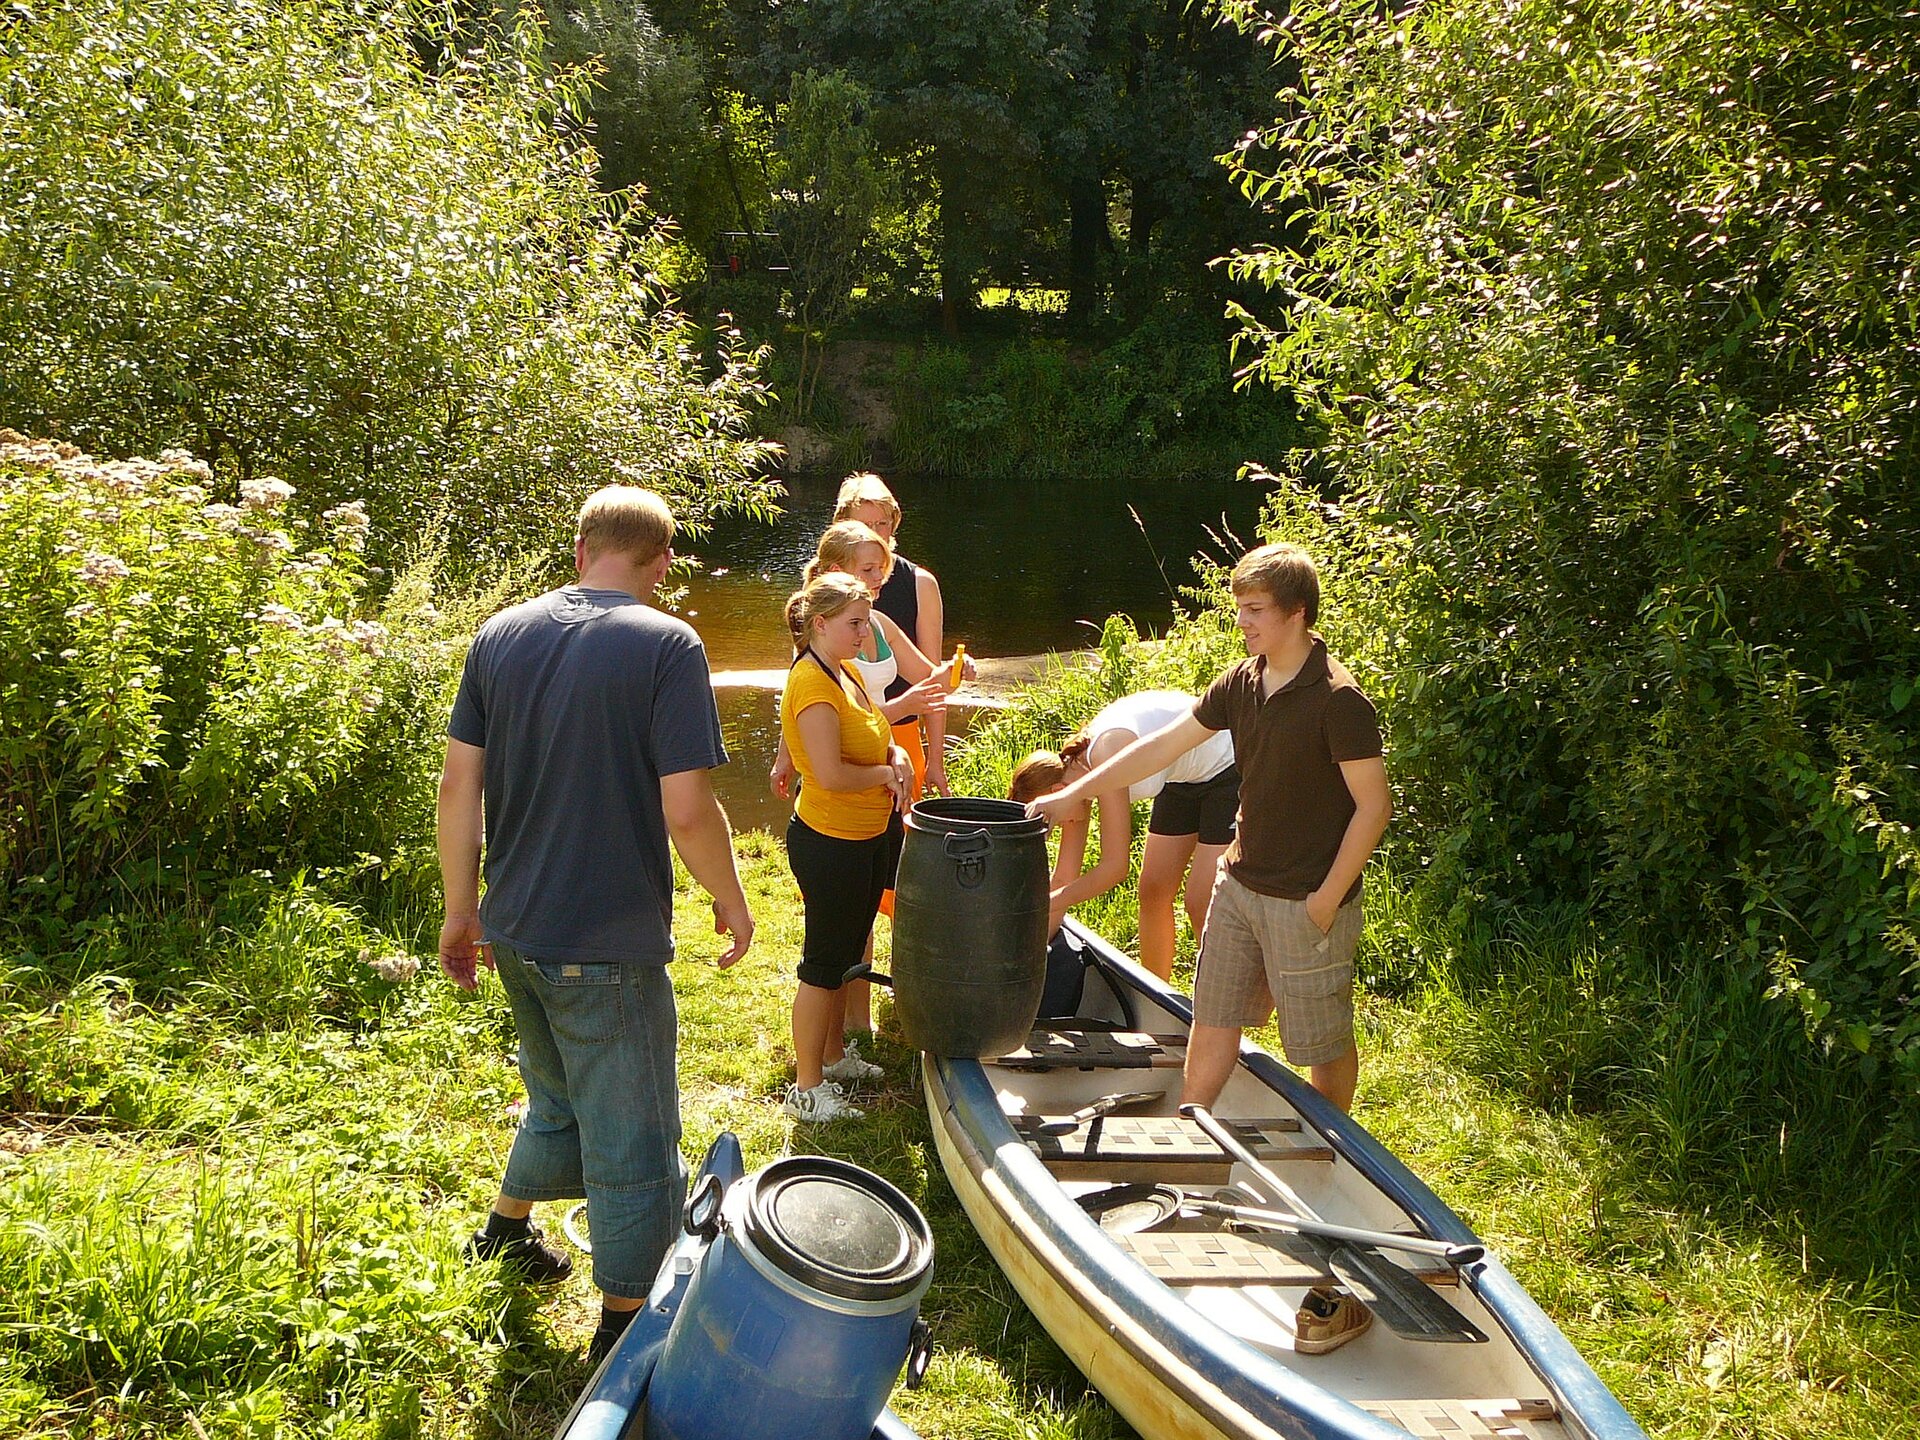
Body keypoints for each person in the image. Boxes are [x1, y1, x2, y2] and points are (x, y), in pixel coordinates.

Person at [1027, 543, 1390, 1355]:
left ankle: (1333, 1152)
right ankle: (1192, 1132)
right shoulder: (1242, 682)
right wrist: (1075, 790)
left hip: (1308, 902)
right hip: (1240, 883)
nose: (1242, 621)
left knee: (1319, 1040)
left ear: (1296, 613)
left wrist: (1328, 897)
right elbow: (1156, 751)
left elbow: (1374, 806)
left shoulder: (1339, 702)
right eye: (1240, 609)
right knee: (1214, 1014)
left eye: (1254, 610)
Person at [437, 485, 754, 1364]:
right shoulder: (667, 643)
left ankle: (503, 1234)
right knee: (636, 1140)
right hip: (605, 944)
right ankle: (623, 1326)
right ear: (661, 565)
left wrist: (463, 910)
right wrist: (729, 895)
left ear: (580, 552)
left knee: (561, 1103)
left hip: (518, 930)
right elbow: (688, 808)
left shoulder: (500, 633)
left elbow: (458, 786)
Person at [779, 572, 919, 1123]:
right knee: (823, 963)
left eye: (865, 621)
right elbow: (831, 774)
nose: (866, 633)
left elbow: (874, 730)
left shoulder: (847, 673)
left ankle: (835, 1057)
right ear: (820, 623)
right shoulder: (810, 684)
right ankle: (807, 1087)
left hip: (865, 835)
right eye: (854, 624)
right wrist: (887, 772)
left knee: (848, 950)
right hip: (829, 840)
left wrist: (899, 755)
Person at [1006, 691, 1238, 981]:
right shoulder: (1072, 784)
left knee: (1201, 897)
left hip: (1227, 763)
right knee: (1153, 891)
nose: (1063, 826)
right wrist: (1025, 956)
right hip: (1180, 777)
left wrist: (1042, 905)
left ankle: (1219, 1013)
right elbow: (1064, 878)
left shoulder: (1103, 757)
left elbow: (1115, 868)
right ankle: (1159, 1003)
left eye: (1055, 821)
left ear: (1055, 794)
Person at [832, 474, 954, 798]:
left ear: (894, 525)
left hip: (903, 732)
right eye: (864, 524)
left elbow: (931, 679)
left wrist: (936, 760)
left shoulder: (919, 583)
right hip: (845, 736)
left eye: (882, 523)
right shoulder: (826, 589)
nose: (875, 533)